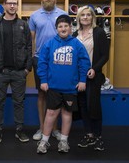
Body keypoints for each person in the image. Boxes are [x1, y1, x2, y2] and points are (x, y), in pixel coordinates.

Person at [36, 14, 91, 154]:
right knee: (51, 113)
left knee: (67, 114)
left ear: (71, 28)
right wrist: (43, 80)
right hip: (53, 87)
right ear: (56, 29)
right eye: (60, 26)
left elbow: (84, 62)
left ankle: (64, 141)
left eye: (66, 26)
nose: (63, 28)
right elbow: (42, 63)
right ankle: (44, 141)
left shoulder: (77, 44)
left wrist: (82, 80)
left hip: (70, 88)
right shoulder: (49, 44)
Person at [0, 0, 32, 144]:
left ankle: (19, 130)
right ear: (4, 5)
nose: (12, 6)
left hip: (19, 72)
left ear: (17, 5)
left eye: (15, 3)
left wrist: (27, 69)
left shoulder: (23, 25)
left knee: (19, 102)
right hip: (0, 72)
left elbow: (29, 47)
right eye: (10, 3)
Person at [29, 0, 67, 141]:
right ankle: (42, 127)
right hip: (40, 60)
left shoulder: (63, 14)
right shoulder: (34, 16)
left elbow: (68, 37)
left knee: (58, 94)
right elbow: (31, 39)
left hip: (59, 59)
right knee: (42, 95)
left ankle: (55, 129)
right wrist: (33, 58)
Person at [72, 5, 110, 151]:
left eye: (88, 15)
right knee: (82, 106)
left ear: (93, 17)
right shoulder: (75, 35)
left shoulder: (99, 32)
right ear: (79, 18)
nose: (86, 17)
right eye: (83, 15)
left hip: (93, 75)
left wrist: (95, 69)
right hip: (78, 77)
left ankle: (98, 136)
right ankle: (89, 135)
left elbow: (105, 55)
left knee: (93, 105)